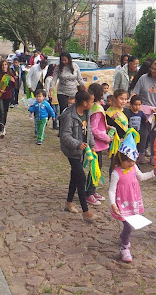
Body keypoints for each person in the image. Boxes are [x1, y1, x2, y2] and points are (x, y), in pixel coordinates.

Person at [109, 132, 155, 263]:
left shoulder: (134, 167)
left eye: (133, 160)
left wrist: (153, 173)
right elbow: (111, 190)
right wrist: (113, 204)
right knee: (128, 226)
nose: (131, 163)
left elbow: (141, 177)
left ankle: (124, 236)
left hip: (133, 202)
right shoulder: (116, 173)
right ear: (121, 159)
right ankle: (125, 247)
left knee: (130, 226)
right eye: (128, 160)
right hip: (122, 204)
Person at [59, 89, 97, 222]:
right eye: (92, 101)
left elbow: (89, 130)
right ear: (85, 103)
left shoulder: (87, 113)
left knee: (75, 176)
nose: (93, 104)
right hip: (72, 151)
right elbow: (65, 136)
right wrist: (77, 144)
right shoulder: (69, 116)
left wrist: (91, 145)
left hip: (82, 151)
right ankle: (86, 211)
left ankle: (69, 203)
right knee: (81, 177)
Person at [131, 59, 156, 161]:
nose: (152, 71)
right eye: (151, 68)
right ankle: (141, 153)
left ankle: (154, 156)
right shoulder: (143, 78)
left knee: (155, 135)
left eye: (155, 69)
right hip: (143, 110)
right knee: (143, 133)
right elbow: (135, 92)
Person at [85, 83, 110, 205]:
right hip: (96, 144)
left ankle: (92, 190)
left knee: (97, 168)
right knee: (95, 169)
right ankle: (89, 192)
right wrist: (106, 138)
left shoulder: (94, 107)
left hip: (97, 144)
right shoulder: (97, 110)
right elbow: (94, 129)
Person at [124, 95, 150, 164]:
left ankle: (136, 158)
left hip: (137, 134)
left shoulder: (140, 113)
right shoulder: (128, 112)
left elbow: (145, 120)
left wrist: (148, 119)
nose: (137, 107)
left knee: (136, 146)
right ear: (131, 104)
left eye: (139, 105)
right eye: (135, 105)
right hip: (129, 134)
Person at [0, 60, 16, 138]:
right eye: (3, 65)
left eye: (5, 64)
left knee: (5, 112)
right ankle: (1, 130)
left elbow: (14, 86)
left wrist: (13, 81)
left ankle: (3, 126)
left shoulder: (10, 74)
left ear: (7, 66)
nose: (4, 66)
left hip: (8, 95)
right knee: (1, 112)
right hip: (0, 96)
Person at [43, 64, 60, 129]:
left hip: (56, 97)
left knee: (56, 111)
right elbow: (46, 88)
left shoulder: (57, 79)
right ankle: (45, 121)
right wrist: (47, 97)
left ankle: (55, 124)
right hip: (50, 97)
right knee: (52, 111)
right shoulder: (48, 79)